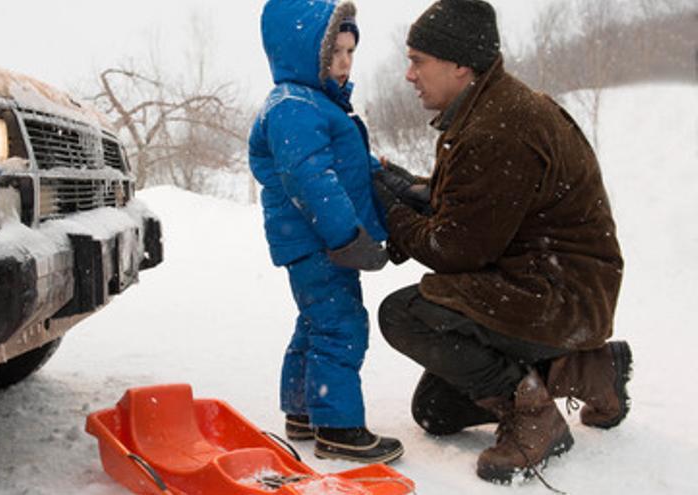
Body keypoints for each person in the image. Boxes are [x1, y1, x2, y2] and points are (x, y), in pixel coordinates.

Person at [372, 0, 632, 484]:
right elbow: (477, 202)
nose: (409, 74)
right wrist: (411, 188)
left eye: (418, 60)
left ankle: (534, 417)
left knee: (405, 315)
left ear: (459, 64)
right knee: (436, 410)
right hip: (536, 284)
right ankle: (587, 368)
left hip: (560, 292)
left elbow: (456, 249)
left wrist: (392, 213)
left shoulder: (499, 126)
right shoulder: (486, 109)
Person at [248, 0, 403, 464]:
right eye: (334, 51)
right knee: (341, 325)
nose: (343, 62)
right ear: (300, 51)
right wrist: (346, 237)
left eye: (351, 52)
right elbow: (310, 178)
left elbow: (350, 164)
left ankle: (303, 411)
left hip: (315, 243)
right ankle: (338, 427)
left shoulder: (313, 105)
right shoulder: (294, 105)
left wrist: (396, 179)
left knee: (317, 321)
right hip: (321, 243)